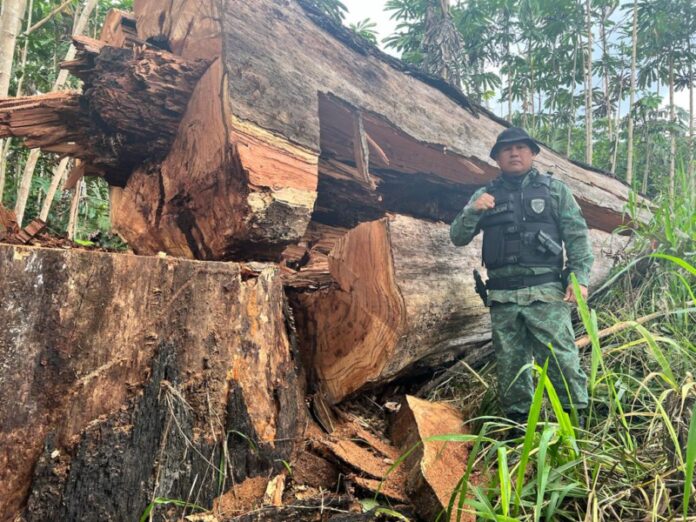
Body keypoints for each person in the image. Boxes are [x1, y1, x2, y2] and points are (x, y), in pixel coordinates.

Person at [450, 127, 594, 429]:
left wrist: (578, 278)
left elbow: (577, 236)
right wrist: (473, 210)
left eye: (520, 148)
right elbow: (458, 237)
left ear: (532, 153)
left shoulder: (555, 190)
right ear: (497, 157)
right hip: (503, 299)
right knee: (511, 369)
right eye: (507, 149)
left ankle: (577, 430)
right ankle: (518, 434)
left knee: (562, 362)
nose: (514, 153)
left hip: (546, 294)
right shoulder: (485, 195)